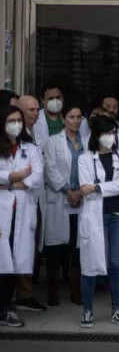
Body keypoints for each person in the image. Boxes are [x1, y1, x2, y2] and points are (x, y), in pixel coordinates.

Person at [76, 115, 119, 328]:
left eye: (113, 133)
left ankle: (117, 309)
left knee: (116, 263)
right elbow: (85, 188)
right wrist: (96, 188)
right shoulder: (84, 159)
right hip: (95, 215)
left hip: (118, 214)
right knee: (90, 263)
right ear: (96, 135)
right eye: (106, 133)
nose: (110, 137)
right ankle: (87, 311)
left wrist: (98, 187)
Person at [0, 105, 44, 328]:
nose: (16, 124)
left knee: (12, 263)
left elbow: (36, 177)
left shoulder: (31, 149)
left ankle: (6, 308)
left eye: (19, 120)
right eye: (11, 120)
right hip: (2, 212)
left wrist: (7, 182)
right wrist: (15, 176)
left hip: (21, 211)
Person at [42, 103, 87, 307]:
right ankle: (53, 292)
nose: (75, 121)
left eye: (79, 117)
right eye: (71, 117)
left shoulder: (86, 141)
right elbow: (50, 170)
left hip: (81, 199)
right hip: (61, 198)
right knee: (56, 248)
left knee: (77, 247)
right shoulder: (52, 142)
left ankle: (76, 292)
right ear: (64, 119)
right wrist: (68, 191)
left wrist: (79, 193)